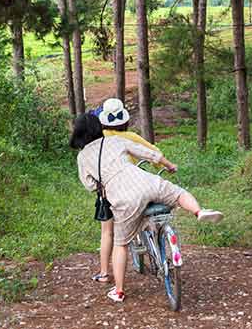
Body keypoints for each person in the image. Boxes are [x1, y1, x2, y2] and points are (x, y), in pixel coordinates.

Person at [70, 112, 223, 302]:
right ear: (98, 127)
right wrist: (168, 165)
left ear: (78, 133)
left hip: (122, 196)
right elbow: (148, 153)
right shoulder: (115, 141)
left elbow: (90, 185)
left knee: (121, 243)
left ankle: (118, 291)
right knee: (179, 193)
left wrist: (103, 183)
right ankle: (199, 211)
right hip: (145, 180)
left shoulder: (83, 157)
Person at [90, 99, 164, 285]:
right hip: (135, 184)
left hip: (110, 190)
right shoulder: (130, 137)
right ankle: (157, 243)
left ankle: (105, 273)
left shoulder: (99, 138)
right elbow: (154, 152)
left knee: (108, 232)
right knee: (148, 208)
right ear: (124, 120)